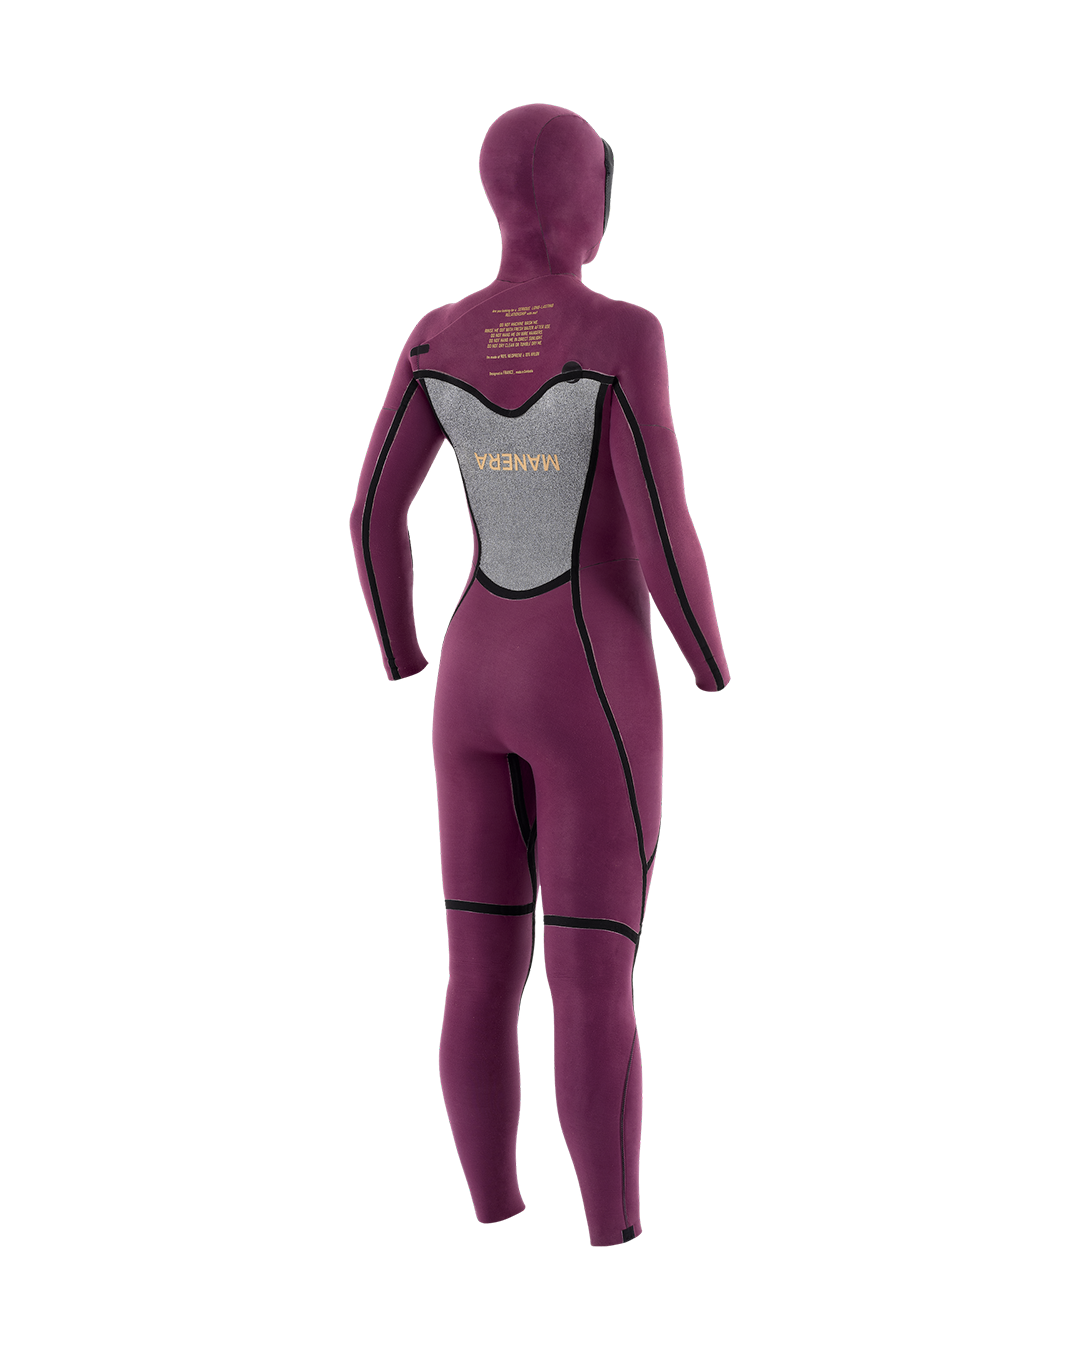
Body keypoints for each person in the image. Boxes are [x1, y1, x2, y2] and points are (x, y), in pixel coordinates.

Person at [350, 103, 730, 1245]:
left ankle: (493, 1216)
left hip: (470, 678)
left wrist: (401, 650)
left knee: (478, 970)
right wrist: (709, 658)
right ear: (586, 202)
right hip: (588, 681)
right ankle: (612, 1239)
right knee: (592, 977)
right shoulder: (619, 333)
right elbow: (659, 525)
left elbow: (369, 516)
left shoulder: (436, 335)